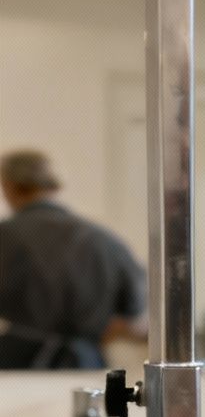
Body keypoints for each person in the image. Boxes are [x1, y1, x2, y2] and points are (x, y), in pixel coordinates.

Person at [0, 148, 146, 369]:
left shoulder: (5, 236)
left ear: (9, 185)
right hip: (85, 367)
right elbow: (134, 309)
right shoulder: (103, 240)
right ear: (54, 184)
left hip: (13, 368)